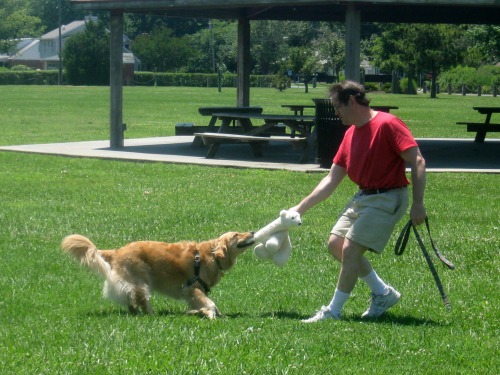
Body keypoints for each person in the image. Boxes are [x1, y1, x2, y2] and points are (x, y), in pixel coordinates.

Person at [292, 80, 427, 322]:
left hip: (388, 197)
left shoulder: (388, 124)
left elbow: (417, 161)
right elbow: (332, 179)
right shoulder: (351, 134)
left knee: (351, 248)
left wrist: (418, 204)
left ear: (352, 101)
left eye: (337, 106)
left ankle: (333, 311)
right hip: (363, 196)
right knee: (336, 244)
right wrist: (300, 208)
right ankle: (382, 293)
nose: (335, 112)